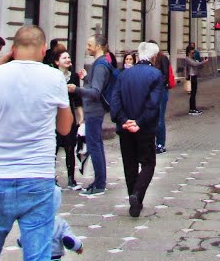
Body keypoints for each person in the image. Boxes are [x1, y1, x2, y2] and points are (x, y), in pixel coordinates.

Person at [0, 25, 73, 261]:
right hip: (37, 178)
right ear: (44, 49)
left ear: (12, 49)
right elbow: (65, 128)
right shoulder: (54, 77)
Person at [108, 41, 165, 218]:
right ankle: (137, 195)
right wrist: (138, 122)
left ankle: (134, 203)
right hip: (145, 128)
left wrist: (124, 120)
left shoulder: (124, 75)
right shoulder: (156, 74)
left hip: (125, 129)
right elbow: (153, 104)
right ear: (154, 57)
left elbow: (115, 101)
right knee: (148, 163)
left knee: (129, 164)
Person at [69, 34, 112, 197]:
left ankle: (100, 183)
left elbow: (95, 92)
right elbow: (95, 86)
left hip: (94, 110)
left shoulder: (100, 65)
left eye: (89, 45)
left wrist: (76, 89)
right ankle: (99, 181)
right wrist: (86, 78)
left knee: (95, 146)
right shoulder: (100, 64)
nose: (87, 47)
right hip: (94, 110)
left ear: (98, 47)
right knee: (96, 145)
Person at [55, 50, 83, 191]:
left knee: (70, 147)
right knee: (53, 148)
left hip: (69, 114)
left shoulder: (74, 77)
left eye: (69, 56)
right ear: (57, 61)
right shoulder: (52, 76)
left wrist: (80, 115)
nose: (67, 59)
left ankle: (71, 179)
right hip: (54, 114)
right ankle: (51, 178)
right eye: (64, 57)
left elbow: (77, 98)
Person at [149, 41, 171, 153]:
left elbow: (165, 75)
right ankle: (151, 143)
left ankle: (160, 144)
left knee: (159, 119)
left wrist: (156, 85)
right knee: (151, 118)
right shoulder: (149, 60)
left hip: (161, 91)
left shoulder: (162, 58)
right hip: (151, 92)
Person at [183, 42, 208, 115]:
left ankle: (194, 108)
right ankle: (192, 109)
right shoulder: (187, 59)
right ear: (188, 52)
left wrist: (201, 62)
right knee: (192, 94)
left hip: (194, 75)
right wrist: (203, 62)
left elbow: (197, 64)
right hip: (191, 76)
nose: (193, 53)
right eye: (192, 52)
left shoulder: (192, 58)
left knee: (194, 93)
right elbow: (195, 64)